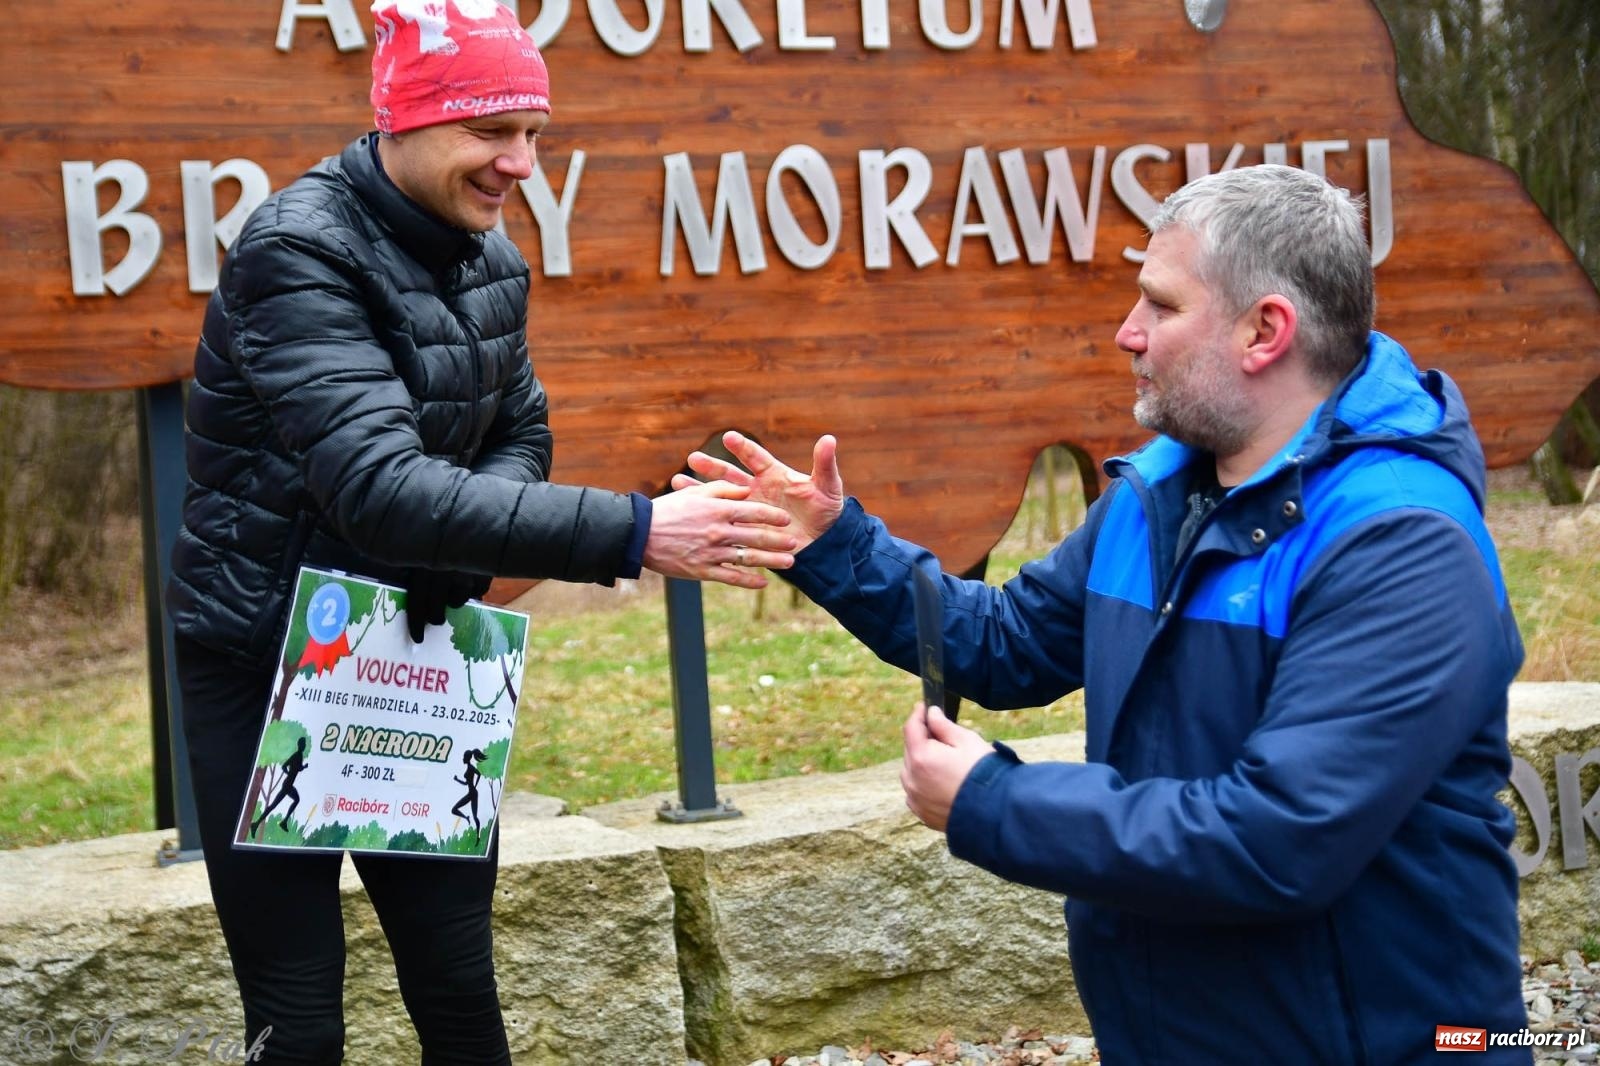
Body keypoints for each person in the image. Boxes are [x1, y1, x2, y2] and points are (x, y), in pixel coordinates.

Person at [677, 165, 1530, 1063]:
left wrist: (994, 801)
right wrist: (835, 544)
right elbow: (1007, 643)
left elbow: (1275, 839)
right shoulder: (1157, 495)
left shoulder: (1399, 544)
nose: (1129, 334)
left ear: (1265, 330)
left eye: (1161, 306)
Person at [164, 2, 795, 1061]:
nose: (523, 165)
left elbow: (522, 428)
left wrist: (445, 557)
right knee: (298, 1010)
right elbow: (381, 485)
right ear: (403, 122)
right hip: (265, 654)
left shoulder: (491, 257)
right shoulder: (295, 251)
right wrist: (637, 530)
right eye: (492, 132)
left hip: (409, 653)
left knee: (459, 985)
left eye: (535, 133)